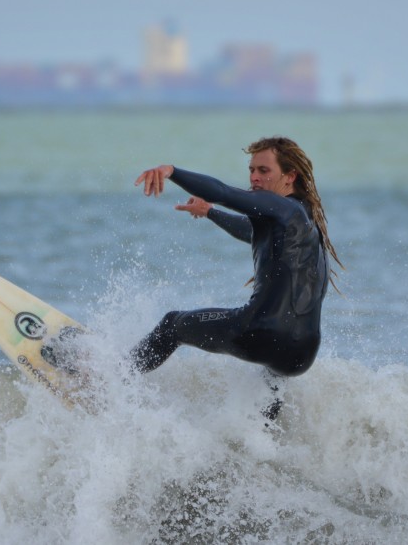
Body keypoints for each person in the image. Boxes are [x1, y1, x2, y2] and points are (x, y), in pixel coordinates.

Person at [130, 137, 342, 419]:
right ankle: (259, 446)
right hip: (301, 353)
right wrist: (210, 213)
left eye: (264, 171)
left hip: (259, 331)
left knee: (172, 325)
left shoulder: (282, 208)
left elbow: (223, 191)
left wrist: (171, 171)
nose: (254, 177)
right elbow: (250, 232)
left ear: (290, 177)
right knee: (271, 379)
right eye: (252, 170)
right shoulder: (302, 223)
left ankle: (111, 380)